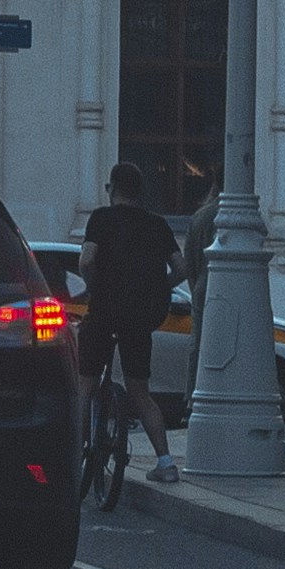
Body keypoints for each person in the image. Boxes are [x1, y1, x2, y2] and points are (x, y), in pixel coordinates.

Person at [80, 161, 187, 476]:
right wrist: (159, 287)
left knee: (85, 385)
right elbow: (181, 269)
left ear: (112, 188)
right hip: (141, 316)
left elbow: (86, 261)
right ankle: (165, 462)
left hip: (104, 310)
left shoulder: (101, 218)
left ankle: (75, 456)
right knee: (139, 391)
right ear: (139, 192)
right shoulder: (158, 225)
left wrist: (93, 286)